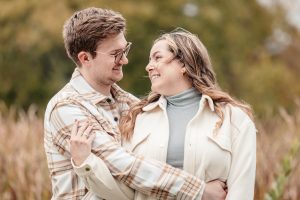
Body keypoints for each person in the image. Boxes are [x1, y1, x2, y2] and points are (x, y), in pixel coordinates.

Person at [44, 7, 226, 200]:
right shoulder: (66, 108)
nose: (125, 60)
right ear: (85, 58)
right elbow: (124, 169)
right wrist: (199, 190)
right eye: (115, 53)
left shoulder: (133, 104)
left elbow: (157, 166)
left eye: (125, 50)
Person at [70, 28, 256, 200]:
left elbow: (241, 191)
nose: (149, 66)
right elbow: (124, 193)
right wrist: (85, 164)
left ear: (184, 63)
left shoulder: (234, 119)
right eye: (150, 60)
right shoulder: (136, 120)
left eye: (157, 58)